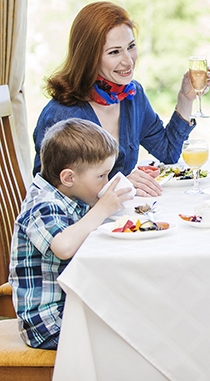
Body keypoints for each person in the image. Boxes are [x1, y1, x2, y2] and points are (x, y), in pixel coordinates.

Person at [32, 1, 210, 197]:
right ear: (89, 57)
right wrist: (119, 185)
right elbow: (50, 195)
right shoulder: (61, 114)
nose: (128, 60)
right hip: (84, 225)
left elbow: (168, 153)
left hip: (120, 217)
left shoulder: (132, 97)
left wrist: (185, 99)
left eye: (131, 46)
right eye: (114, 52)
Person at [9, 118, 134, 349]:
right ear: (68, 178)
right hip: (50, 322)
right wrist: (101, 209)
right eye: (101, 176)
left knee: (135, 309)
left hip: (74, 304)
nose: (105, 182)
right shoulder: (43, 205)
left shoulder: (68, 195)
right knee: (132, 333)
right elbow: (64, 246)